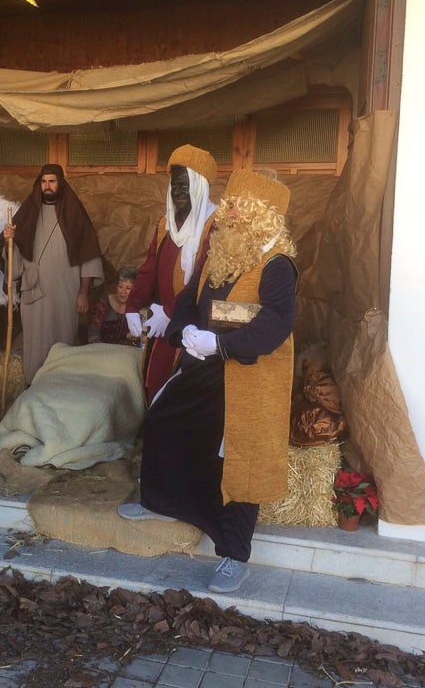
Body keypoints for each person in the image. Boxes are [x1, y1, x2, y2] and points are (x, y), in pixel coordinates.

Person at [117, 169, 297, 594]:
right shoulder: (219, 252)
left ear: (260, 215)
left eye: (236, 207)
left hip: (245, 377)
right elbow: (187, 299)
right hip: (203, 364)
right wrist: (183, 334)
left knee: (238, 460)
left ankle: (234, 555)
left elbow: (276, 323)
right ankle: (162, 502)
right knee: (164, 420)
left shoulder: (277, 264)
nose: (226, 213)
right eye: (228, 204)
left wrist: (220, 344)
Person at [0, 164, 103, 383]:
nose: (47, 186)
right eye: (43, 181)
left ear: (60, 183)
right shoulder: (27, 215)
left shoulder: (75, 215)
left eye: (52, 181)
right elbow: (15, 260)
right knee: (35, 342)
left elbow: (89, 255)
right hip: (35, 292)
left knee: (64, 339)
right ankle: (33, 385)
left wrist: (83, 292)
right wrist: (9, 241)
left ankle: (61, 385)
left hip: (66, 292)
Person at [126, 144, 217, 403]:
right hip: (163, 322)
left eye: (185, 185)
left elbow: (205, 278)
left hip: (196, 325)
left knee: (181, 391)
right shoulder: (165, 223)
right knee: (154, 381)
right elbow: (150, 266)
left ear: (199, 187)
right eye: (174, 185)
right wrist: (132, 306)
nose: (177, 192)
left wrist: (171, 312)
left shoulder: (215, 225)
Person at [88, 266, 139, 345]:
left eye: (128, 288)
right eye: (120, 286)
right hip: (101, 348)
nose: (123, 292)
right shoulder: (104, 301)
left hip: (128, 350)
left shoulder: (140, 306)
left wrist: (135, 338)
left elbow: (143, 338)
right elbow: (93, 330)